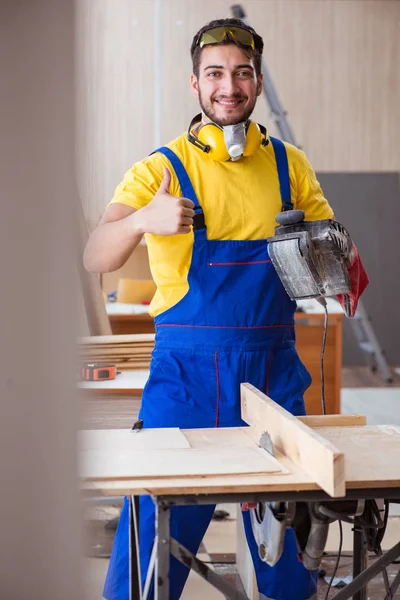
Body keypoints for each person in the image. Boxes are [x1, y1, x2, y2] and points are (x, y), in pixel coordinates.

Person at [84, 17, 347, 600]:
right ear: (195, 85)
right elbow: (95, 253)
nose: (229, 85)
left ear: (256, 82)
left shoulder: (289, 166)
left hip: (273, 377)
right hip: (185, 382)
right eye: (215, 73)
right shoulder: (163, 167)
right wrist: (142, 220)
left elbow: (334, 252)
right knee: (150, 549)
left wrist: (328, 256)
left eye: (242, 73)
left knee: (285, 552)